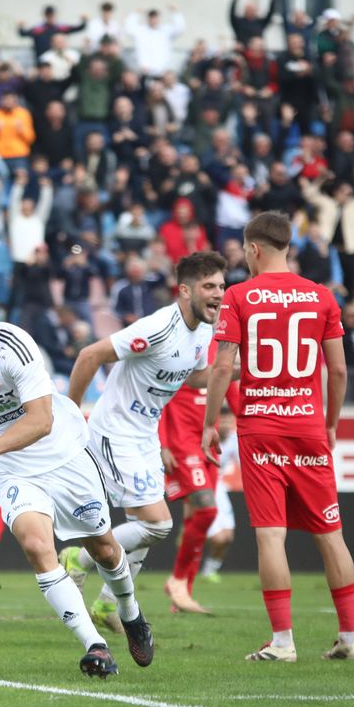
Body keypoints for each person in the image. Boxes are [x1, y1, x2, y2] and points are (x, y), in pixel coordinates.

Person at [0, 275, 153, 678]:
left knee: (104, 549)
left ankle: (131, 613)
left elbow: (41, 421)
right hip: (12, 467)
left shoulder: (14, 346)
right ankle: (95, 646)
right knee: (36, 545)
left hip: (64, 455)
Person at [202, 211, 354, 662]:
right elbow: (338, 370)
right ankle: (351, 638)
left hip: (261, 429)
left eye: (245, 251)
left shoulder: (239, 296)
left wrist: (210, 423)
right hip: (309, 428)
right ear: (287, 247)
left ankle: (282, 642)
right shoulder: (321, 296)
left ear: (254, 249)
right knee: (330, 533)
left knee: (271, 536)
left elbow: (222, 367)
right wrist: (330, 423)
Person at [60, 252, 226, 632]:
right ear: (185, 290)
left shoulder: (203, 330)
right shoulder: (156, 328)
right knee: (158, 524)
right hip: (115, 432)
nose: (218, 293)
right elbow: (89, 355)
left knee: (145, 530)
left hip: (145, 435)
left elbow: (194, 377)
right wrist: (70, 415)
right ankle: (76, 559)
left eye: (221, 285)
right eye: (209, 286)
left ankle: (108, 605)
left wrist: (238, 372)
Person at [158, 341, 239, 612]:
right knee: (206, 510)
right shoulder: (179, 342)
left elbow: (231, 389)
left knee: (197, 519)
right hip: (182, 443)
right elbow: (161, 396)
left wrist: (249, 425)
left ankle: (182, 595)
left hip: (209, 444)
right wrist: (163, 444)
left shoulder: (222, 346)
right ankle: (178, 580)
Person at [200, 408, 239, 584]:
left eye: (228, 421)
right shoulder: (205, 438)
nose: (225, 425)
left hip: (219, 487)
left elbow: (242, 463)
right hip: (203, 487)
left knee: (228, 538)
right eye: (222, 421)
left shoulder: (234, 439)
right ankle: (191, 532)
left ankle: (210, 570)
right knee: (218, 538)